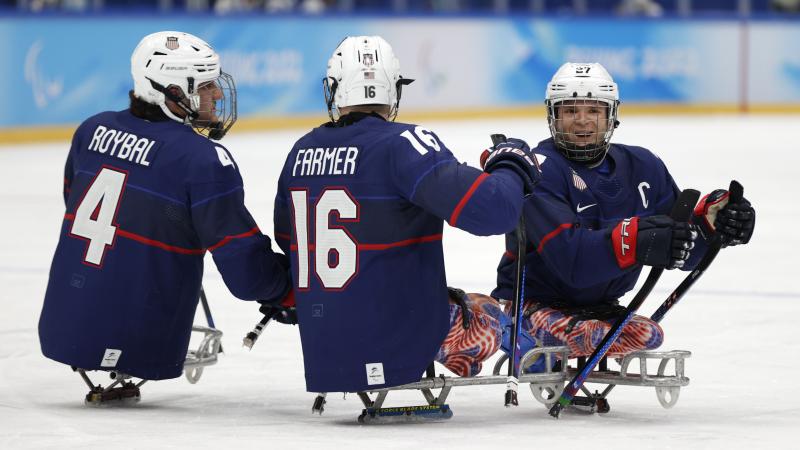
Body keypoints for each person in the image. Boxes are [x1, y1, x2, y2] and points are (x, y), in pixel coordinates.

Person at [271, 35, 541, 393]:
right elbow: (494, 212)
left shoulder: (300, 151)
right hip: (395, 344)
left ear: (334, 89)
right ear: (393, 90)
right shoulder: (403, 145)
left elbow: (289, 243)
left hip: (325, 351)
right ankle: (542, 359)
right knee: (490, 316)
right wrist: (510, 163)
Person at [38, 31, 290, 402]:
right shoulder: (202, 159)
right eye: (206, 86)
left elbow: (73, 202)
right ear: (173, 91)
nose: (217, 95)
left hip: (60, 327)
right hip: (142, 338)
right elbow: (246, 272)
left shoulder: (91, 130)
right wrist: (288, 289)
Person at [491, 62, 756, 368]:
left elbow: (680, 249)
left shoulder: (644, 165)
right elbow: (573, 263)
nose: (582, 122)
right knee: (599, 335)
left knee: (649, 334)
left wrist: (712, 229)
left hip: (600, 309)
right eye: (570, 111)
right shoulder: (537, 169)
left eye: (594, 111)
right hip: (530, 305)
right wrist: (634, 240)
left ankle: (567, 342)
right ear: (553, 116)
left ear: (611, 116)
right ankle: (519, 333)